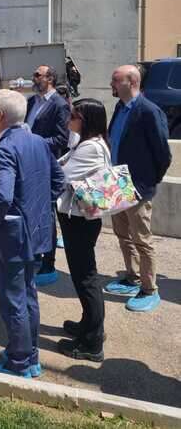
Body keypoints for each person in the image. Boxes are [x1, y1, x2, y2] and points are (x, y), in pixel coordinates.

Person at [0, 90, 65, 378]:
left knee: (12, 298)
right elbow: (59, 180)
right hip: (35, 231)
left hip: (12, 234)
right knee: (28, 294)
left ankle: (19, 362)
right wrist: (38, 209)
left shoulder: (6, 147)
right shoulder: (38, 142)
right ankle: (30, 356)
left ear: (1, 116)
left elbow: (2, 196)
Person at [104, 65, 171, 312]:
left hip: (138, 186)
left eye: (115, 79)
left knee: (142, 240)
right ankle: (132, 278)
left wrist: (149, 182)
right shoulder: (120, 107)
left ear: (131, 82)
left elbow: (163, 154)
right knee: (123, 235)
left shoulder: (149, 111)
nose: (111, 84)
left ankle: (149, 288)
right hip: (117, 182)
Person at [56, 99, 109, 362]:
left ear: (86, 120)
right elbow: (62, 162)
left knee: (86, 278)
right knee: (82, 276)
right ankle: (88, 323)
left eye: (74, 116)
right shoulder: (86, 143)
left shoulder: (91, 148)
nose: (69, 121)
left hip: (80, 221)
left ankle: (92, 342)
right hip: (79, 219)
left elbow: (61, 176)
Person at [26, 65, 71, 285]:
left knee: (47, 216)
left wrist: (34, 143)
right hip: (30, 163)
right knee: (33, 212)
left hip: (47, 165)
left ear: (50, 79)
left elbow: (61, 140)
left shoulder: (59, 105)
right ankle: (34, 254)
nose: (33, 78)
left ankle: (49, 263)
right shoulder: (32, 102)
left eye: (37, 75)